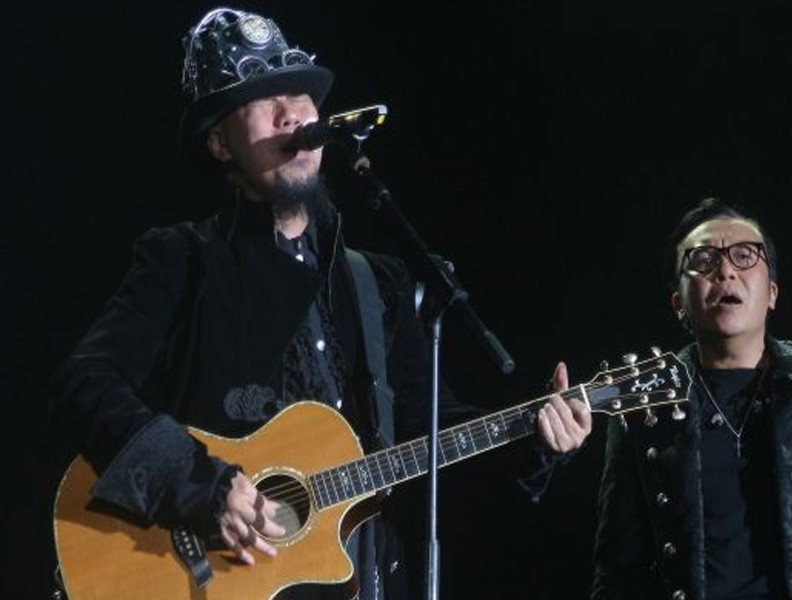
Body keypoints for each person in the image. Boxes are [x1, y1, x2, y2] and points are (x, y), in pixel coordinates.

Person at [48, 7, 590, 600]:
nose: (292, 114)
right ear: (220, 142)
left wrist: (534, 439)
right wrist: (201, 485)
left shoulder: (378, 283)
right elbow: (84, 383)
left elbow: (430, 449)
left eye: (300, 95)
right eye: (264, 100)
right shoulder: (182, 260)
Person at [587, 197, 792, 599]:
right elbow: (616, 568)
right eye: (703, 260)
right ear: (678, 304)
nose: (725, 271)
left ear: (772, 292)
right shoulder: (642, 402)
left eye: (744, 255)